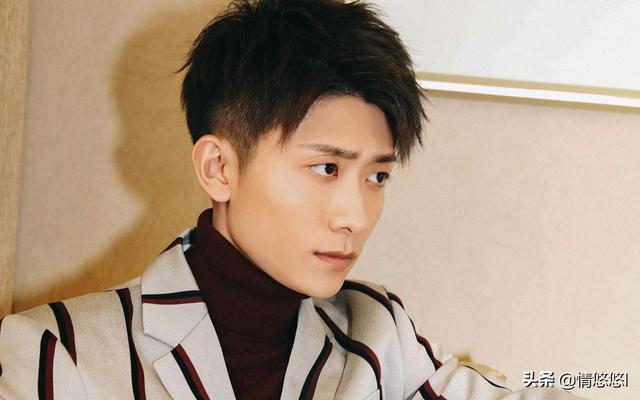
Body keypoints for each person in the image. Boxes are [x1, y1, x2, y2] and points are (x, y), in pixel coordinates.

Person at [0, 1, 586, 399]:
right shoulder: (53, 351)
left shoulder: (376, 333)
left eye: (378, 176)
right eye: (326, 168)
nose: (355, 216)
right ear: (219, 168)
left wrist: (596, 380)